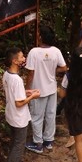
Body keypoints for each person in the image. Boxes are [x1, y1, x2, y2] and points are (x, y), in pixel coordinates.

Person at [0, 46, 39, 162]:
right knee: (19, 145)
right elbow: (19, 103)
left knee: (15, 141)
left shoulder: (7, 74)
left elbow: (15, 94)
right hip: (18, 117)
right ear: (15, 61)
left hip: (11, 115)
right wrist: (33, 96)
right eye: (22, 57)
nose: (24, 59)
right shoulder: (16, 79)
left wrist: (27, 92)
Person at [24, 25, 67, 153]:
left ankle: (38, 143)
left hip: (37, 90)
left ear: (41, 37)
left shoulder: (34, 52)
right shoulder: (56, 51)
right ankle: (48, 141)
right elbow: (64, 67)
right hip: (51, 88)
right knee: (50, 114)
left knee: (37, 116)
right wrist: (52, 70)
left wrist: (27, 89)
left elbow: (30, 73)